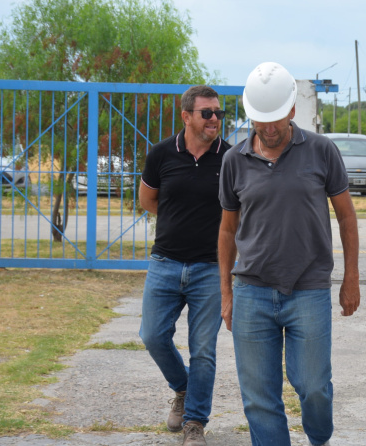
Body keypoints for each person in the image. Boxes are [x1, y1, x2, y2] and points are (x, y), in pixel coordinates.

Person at [218, 62, 360, 446]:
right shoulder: (234, 161)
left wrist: (351, 278)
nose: (268, 128)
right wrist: (226, 293)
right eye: (260, 120)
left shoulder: (322, 151)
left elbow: (346, 216)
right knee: (259, 398)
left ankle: (319, 437)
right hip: (251, 292)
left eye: (276, 119)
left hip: (308, 289)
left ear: (293, 109)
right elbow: (228, 230)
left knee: (313, 386)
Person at [138, 85, 231, 446]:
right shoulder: (162, 153)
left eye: (218, 113)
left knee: (203, 350)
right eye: (207, 113)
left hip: (210, 267)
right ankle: (183, 387)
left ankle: (195, 422)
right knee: (152, 335)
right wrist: (179, 218)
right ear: (187, 116)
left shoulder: (230, 158)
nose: (214, 119)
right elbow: (148, 200)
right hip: (165, 262)